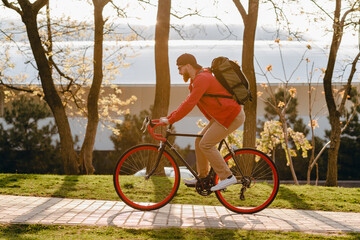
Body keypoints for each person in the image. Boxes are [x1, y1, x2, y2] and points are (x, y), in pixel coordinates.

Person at [159, 53, 245, 191]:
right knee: (199, 141)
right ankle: (203, 177)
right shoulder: (197, 80)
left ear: (188, 65)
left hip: (231, 115)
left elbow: (189, 104)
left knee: (206, 144)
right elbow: (186, 103)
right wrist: (169, 117)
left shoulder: (202, 78)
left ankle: (227, 177)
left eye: (180, 68)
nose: (179, 72)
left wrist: (170, 119)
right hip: (222, 116)